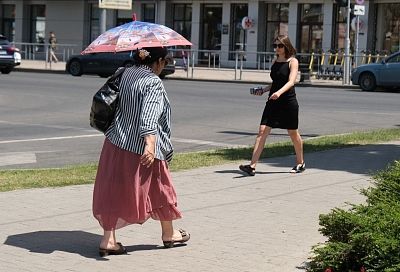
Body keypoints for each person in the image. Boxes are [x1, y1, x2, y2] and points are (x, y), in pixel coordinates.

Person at [92, 46, 190, 257]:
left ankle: (108, 240)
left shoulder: (126, 72)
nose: (164, 66)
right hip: (142, 148)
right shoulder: (153, 82)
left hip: (116, 141)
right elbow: (149, 115)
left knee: (112, 188)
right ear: (158, 62)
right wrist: (150, 144)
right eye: (165, 62)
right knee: (162, 187)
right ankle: (169, 234)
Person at [239, 34, 305, 176]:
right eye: (275, 45)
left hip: (287, 102)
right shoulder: (275, 61)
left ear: (286, 46)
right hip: (273, 101)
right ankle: (252, 166)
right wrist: (263, 90)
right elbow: (275, 83)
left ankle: (300, 163)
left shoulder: (292, 61)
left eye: (280, 46)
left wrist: (279, 93)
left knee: (293, 133)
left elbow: (291, 81)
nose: (277, 48)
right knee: (262, 131)